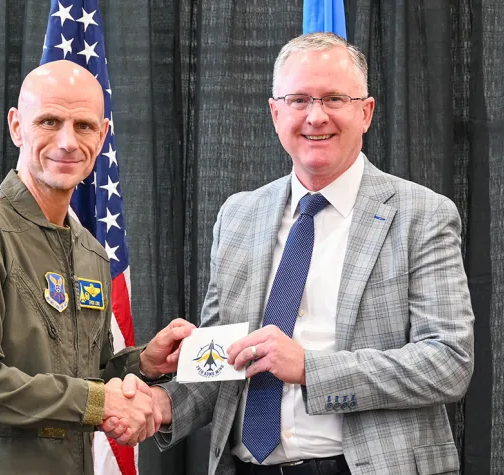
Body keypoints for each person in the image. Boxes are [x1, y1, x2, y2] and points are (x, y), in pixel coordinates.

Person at [129, 32, 475, 475]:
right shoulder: (238, 216)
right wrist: (160, 403)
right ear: (276, 112)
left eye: (334, 98)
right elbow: (223, 365)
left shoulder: (422, 215)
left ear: (365, 112)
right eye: (298, 100)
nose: (316, 116)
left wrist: (311, 369)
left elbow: (448, 361)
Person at [0, 59, 193, 474]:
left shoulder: (90, 251)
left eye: (85, 126)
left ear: (103, 135)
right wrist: (94, 402)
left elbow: (89, 374)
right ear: (17, 126)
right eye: (50, 121)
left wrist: (143, 364)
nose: (68, 142)